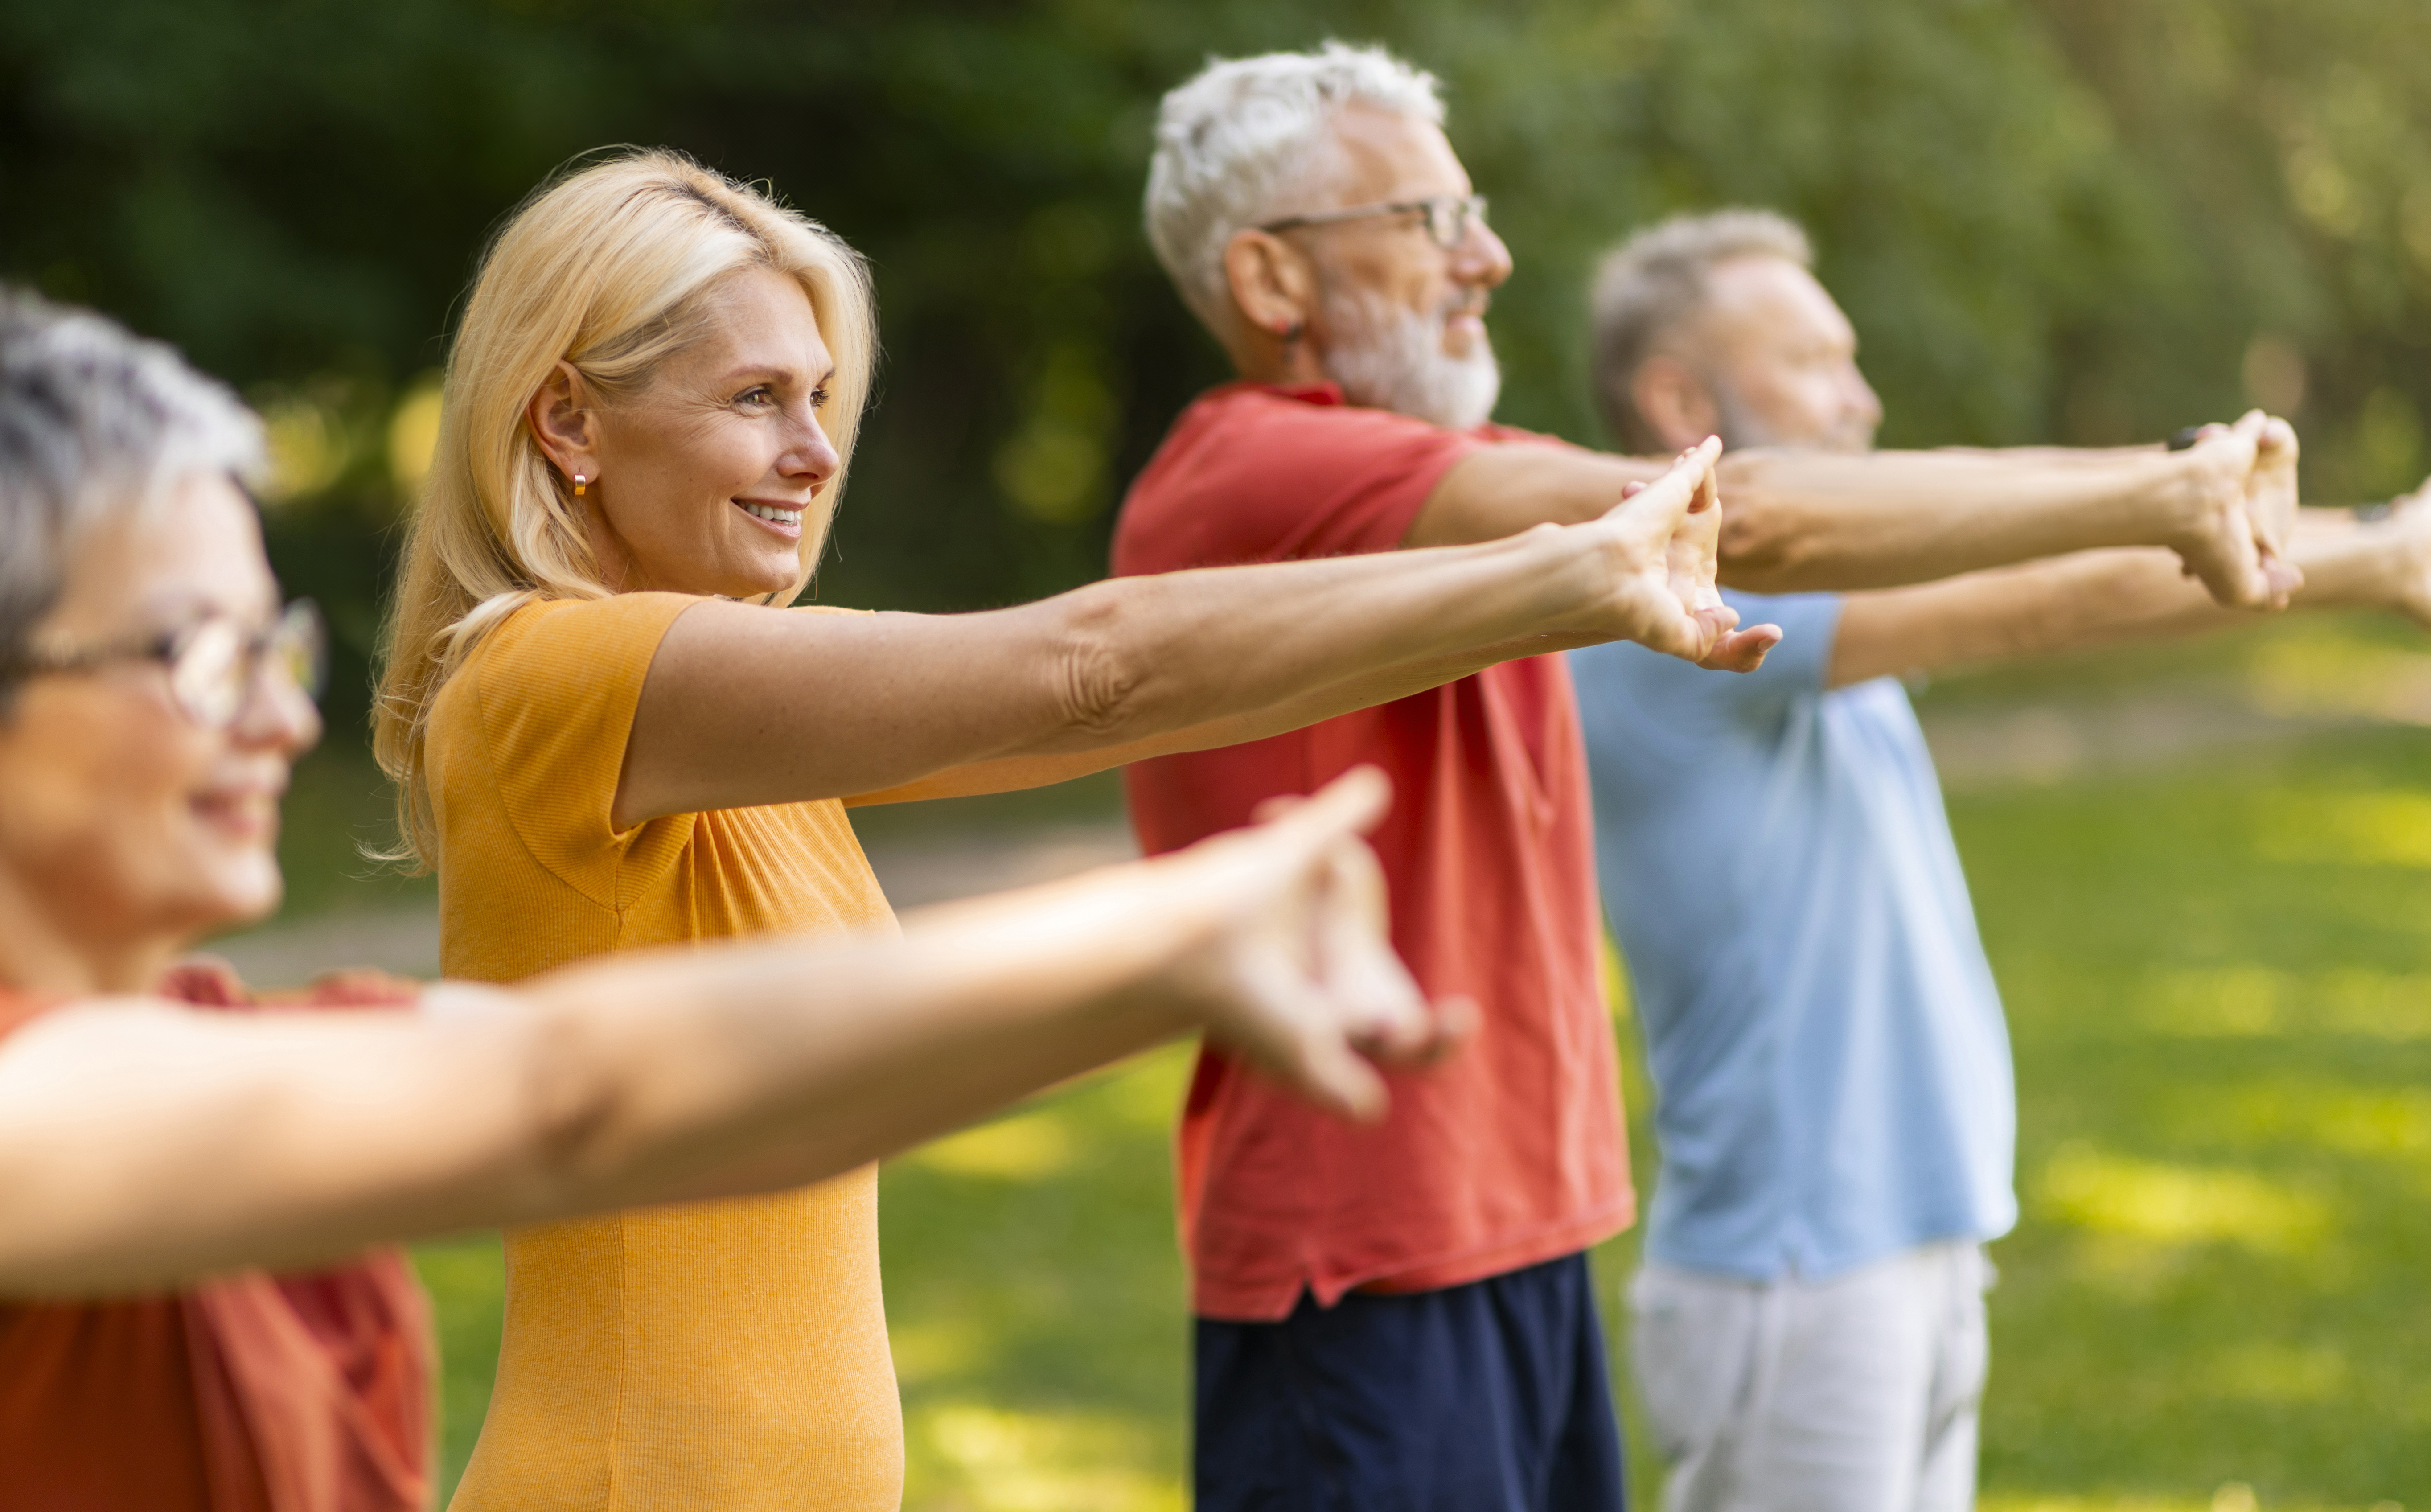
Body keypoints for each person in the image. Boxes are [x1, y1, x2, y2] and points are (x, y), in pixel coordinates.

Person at [368, 148, 1792, 1512]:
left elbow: (1131, 709)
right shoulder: (550, 676)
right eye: (755, 398)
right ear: (567, 420)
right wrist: (1565, 577)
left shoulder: (719, 735)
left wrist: (1554, 601)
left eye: (820, 399)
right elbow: (1085, 666)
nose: (813, 453)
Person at [0, 287, 1473, 1511]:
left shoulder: (209, 1038)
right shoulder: (33, 1112)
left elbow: (750, 1087)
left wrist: (1171, 971)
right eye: (195, 653)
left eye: (278, 651)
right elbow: (566, 1088)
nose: (274, 721)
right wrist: (1175, 933)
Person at [1114, 42, 2302, 1512]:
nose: (1487, 255)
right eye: (1430, 221)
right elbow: (1759, 526)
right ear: (1271, 282)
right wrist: (2155, 487)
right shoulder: (1265, 466)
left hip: (1516, 1230)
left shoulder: (1434, 483)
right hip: (1365, 1253)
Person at [1569, 208, 2431, 1512]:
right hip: (1799, 1267)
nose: (1858, 399)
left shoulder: (1801, 605)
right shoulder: (1685, 608)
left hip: (1905, 1234)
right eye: (1810, 361)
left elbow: (2010, 525)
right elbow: (2046, 595)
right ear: (1680, 395)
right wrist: (2385, 555)